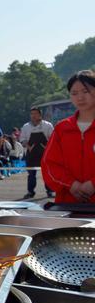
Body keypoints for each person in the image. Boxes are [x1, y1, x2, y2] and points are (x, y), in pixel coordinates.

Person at [42, 70, 95, 203]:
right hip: (68, 205)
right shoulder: (62, 128)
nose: (80, 97)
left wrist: (93, 184)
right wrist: (72, 185)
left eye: (86, 91)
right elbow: (49, 164)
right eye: (74, 93)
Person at [20, 107, 54, 198]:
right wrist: (28, 146)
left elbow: (53, 139)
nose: (33, 116)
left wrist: (47, 147)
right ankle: (30, 192)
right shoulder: (26, 126)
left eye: (35, 113)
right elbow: (22, 139)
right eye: (32, 114)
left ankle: (50, 191)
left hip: (45, 153)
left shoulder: (48, 125)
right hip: (31, 154)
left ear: (40, 115)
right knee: (31, 174)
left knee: (47, 173)